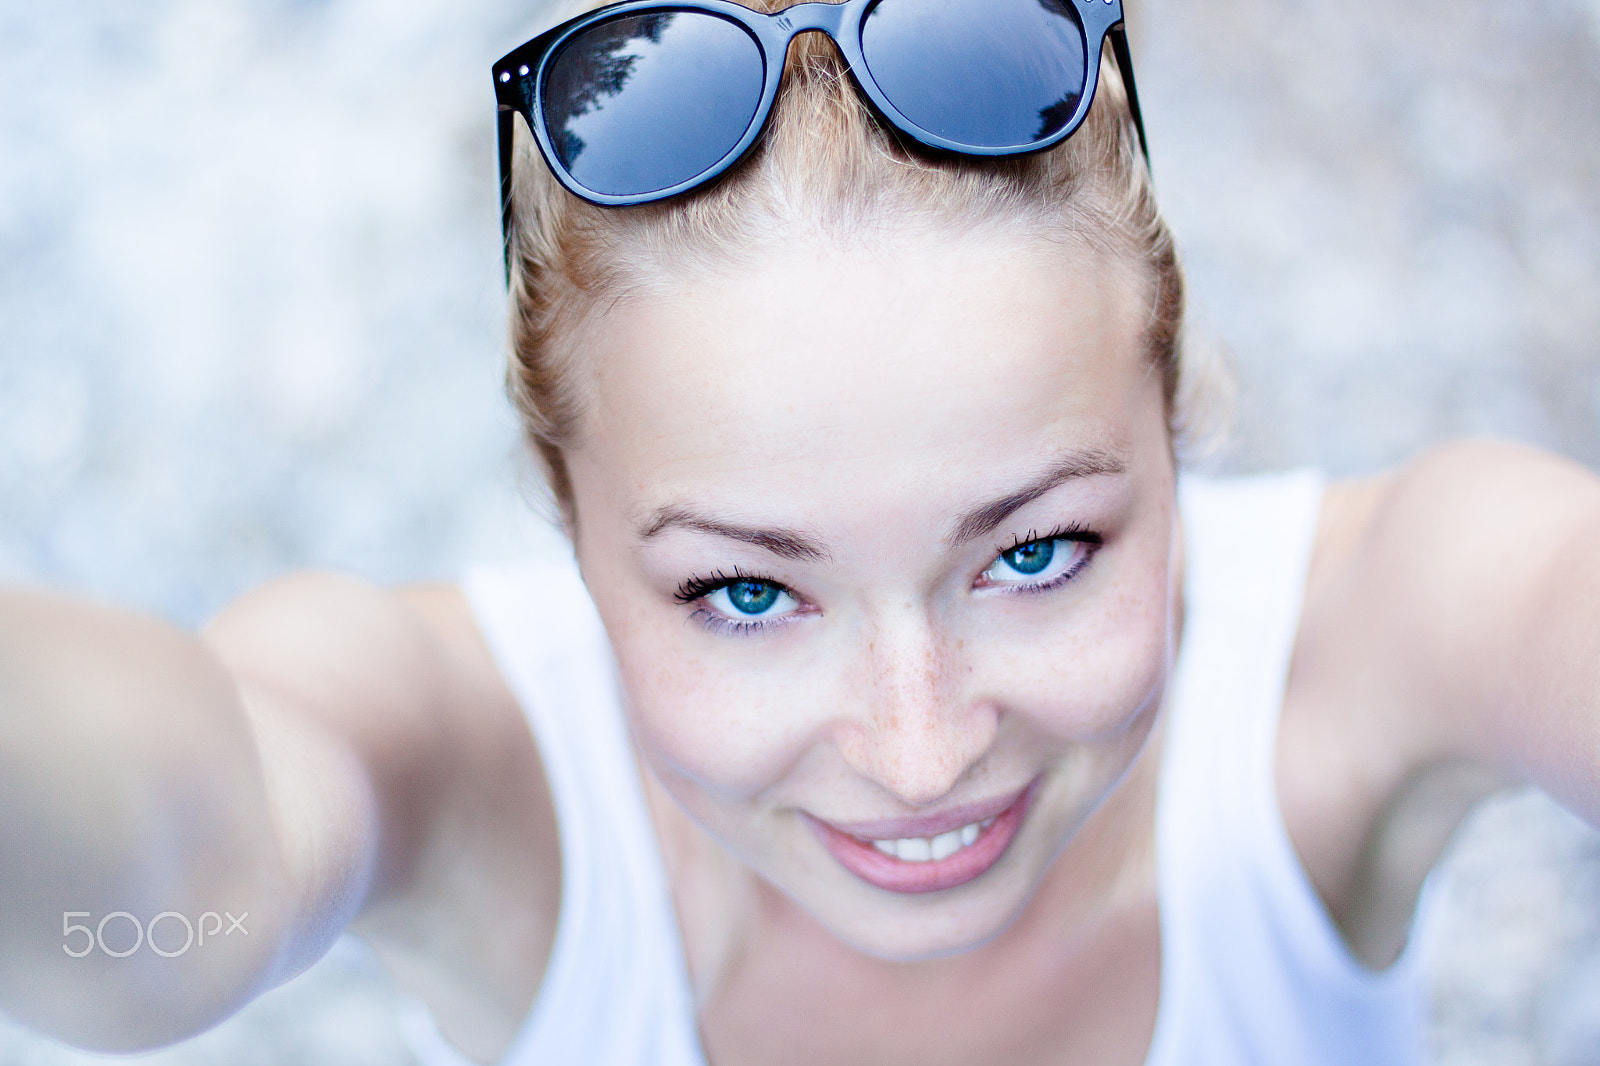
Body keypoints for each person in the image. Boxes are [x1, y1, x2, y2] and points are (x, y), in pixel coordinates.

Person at [1, 0, 1597, 1063]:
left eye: (1034, 552)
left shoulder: (1367, 649)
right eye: (748, 589)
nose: (920, 756)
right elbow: (159, 903)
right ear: (565, 522)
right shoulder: (481, 779)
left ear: (1182, 410)